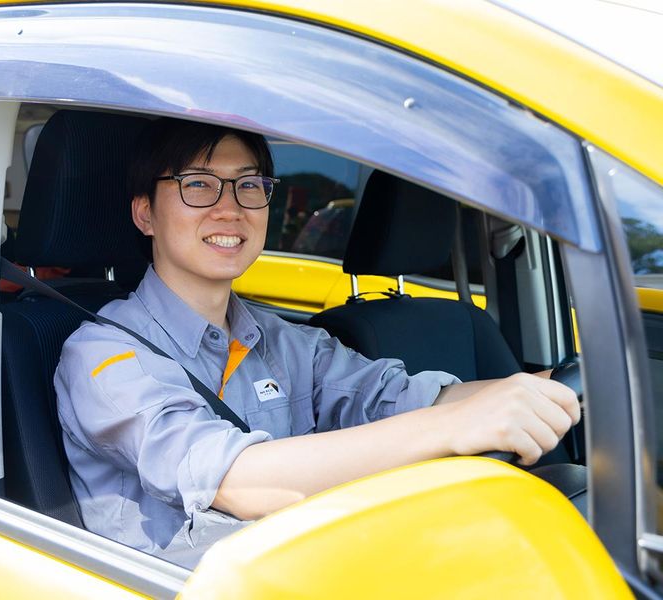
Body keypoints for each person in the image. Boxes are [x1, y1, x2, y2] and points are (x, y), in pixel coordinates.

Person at [54, 118, 580, 566]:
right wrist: (455, 426)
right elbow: (235, 480)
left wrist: (555, 386)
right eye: (198, 184)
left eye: (249, 185)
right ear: (144, 213)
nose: (229, 208)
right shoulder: (105, 356)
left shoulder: (281, 341)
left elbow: (396, 396)